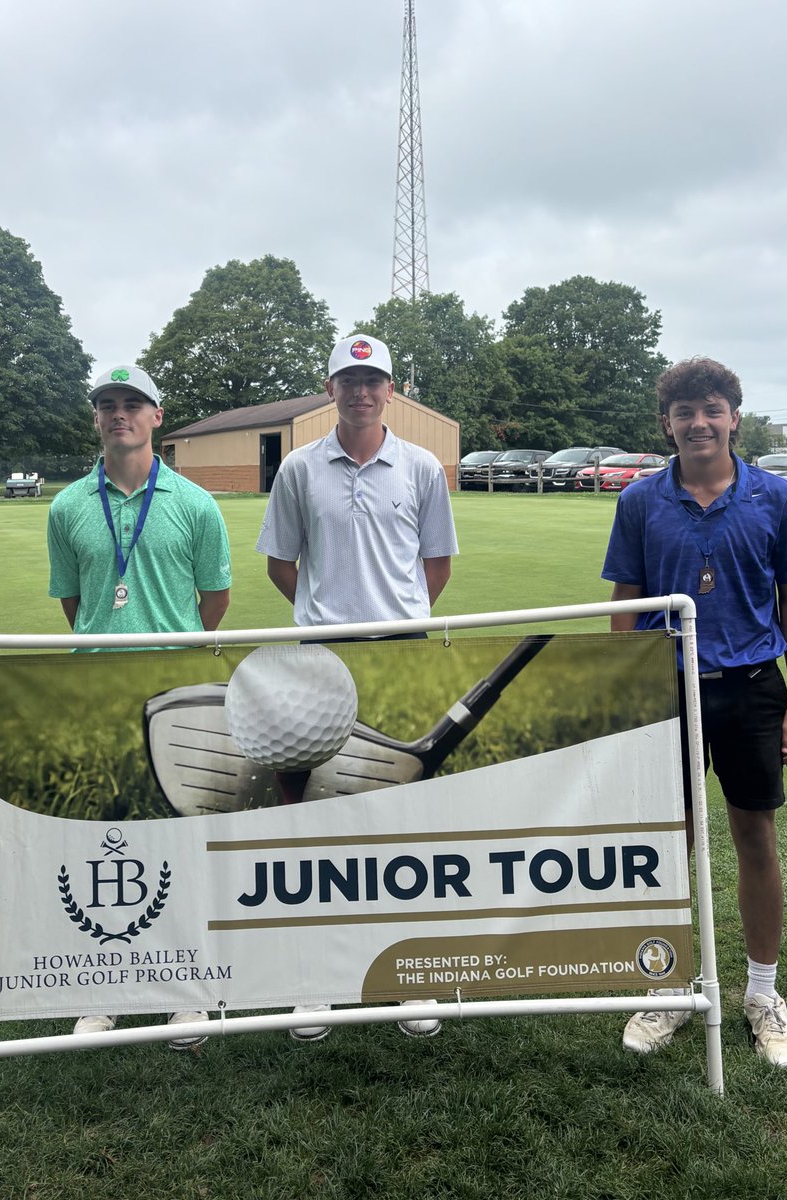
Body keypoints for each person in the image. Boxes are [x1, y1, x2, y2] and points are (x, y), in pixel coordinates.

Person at [601, 357, 787, 1070]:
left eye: (712, 408)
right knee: (672, 843)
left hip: (753, 685)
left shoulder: (775, 497)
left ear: (733, 416)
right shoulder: (639, 501)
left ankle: (762, 995)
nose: (699, 422)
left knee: (754, 837)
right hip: (669, 688)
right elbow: (625, 604)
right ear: (667, 423)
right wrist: (629, 699)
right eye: (685, 411)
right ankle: (669, 984)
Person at [256, 333, 459, 1041]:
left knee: (404, 818)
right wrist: (326, 611)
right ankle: (314, 980)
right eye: (349, 380)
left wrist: (393, 616)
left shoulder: (424, 466)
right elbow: (283, 564)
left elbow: (435, 566)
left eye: (373, 382)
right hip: (320, 652)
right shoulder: (300, 469)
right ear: (331, 387)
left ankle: (410, 977)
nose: (361, 392)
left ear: (391, 391)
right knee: (317, 814)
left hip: (402, 649)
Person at [47, 363, 232, 1049]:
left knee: (181, 841)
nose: (118, 414)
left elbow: (214, 601)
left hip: (175, 691)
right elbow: (73, 601)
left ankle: (186, 993)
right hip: (96, 690)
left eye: (133, 404)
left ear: (157, 416)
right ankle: (105, 987)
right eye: (107, 405)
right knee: (102, 842)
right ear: (95, 419)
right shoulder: (67, 507)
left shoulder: (194, 503)